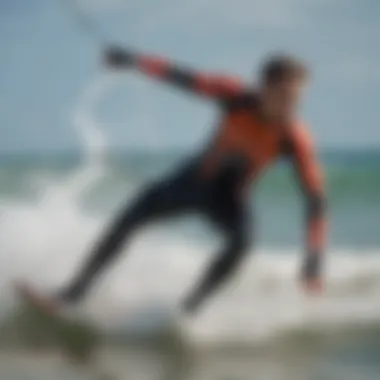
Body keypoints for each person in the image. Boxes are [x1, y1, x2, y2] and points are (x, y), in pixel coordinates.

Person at [55, 47, 327, 314]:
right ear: (264, 88)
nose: (293, 106)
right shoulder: (234, 97)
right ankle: (73, 293)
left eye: (298, 98)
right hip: (192, 182)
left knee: (242, 243)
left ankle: (189, 310)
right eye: (285, 96)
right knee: (128, 218)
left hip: (229, 200)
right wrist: (133, 60)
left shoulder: (294, 138)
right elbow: (180, 77)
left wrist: (313, 259)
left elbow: (316, 200)